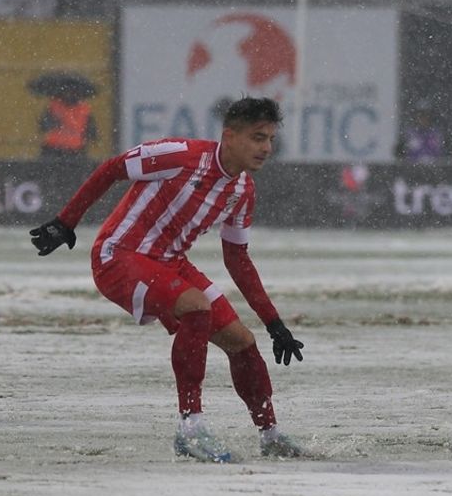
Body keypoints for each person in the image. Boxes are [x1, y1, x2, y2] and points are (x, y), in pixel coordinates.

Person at [28, 97, 309, 463]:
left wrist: (275, 324)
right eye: (258, 138)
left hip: (170, 263)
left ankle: (270, 436)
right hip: (119, 256)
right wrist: (66, 221)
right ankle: (190, 428)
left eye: (270, 139)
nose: (267, 148)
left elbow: (237, 259)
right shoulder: (179, 154)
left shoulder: (242, 191)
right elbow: (113, 168)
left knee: (242, 342)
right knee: (196, 307)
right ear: (230, 136)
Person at [39, 89, 99, 160]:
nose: (69, 94)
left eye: (72, 92)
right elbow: (44, 126)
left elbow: (92, 131)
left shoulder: (83, 109)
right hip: (54, 148)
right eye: (66, 92)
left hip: (74, 150)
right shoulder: (54, 106)